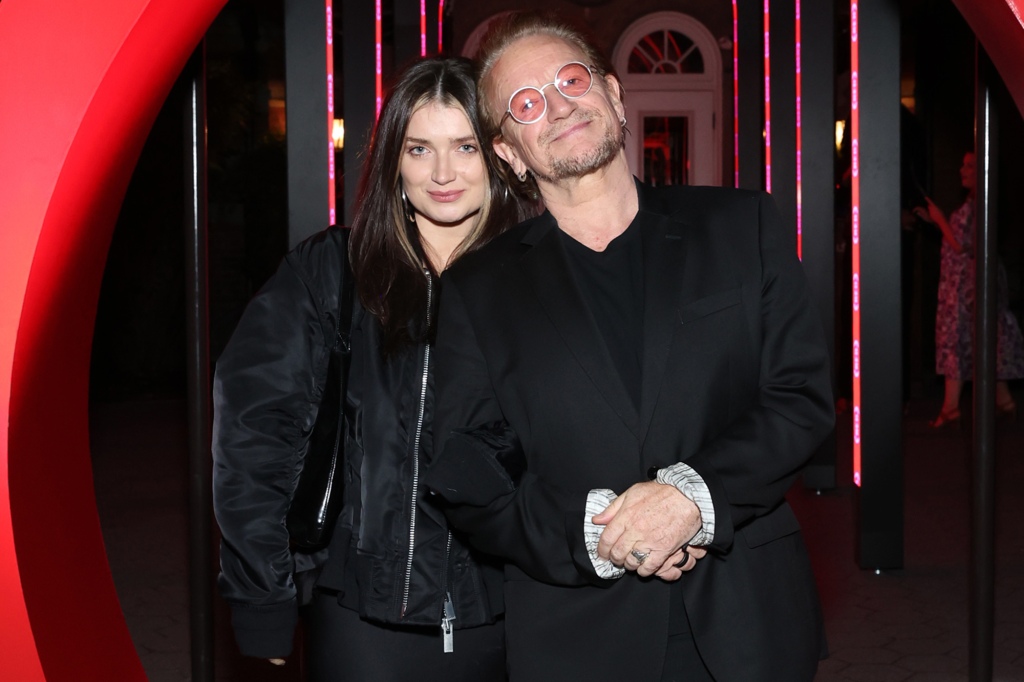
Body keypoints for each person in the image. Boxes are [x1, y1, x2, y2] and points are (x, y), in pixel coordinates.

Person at [424, 11, 834, 682]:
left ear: (613, 95)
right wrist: (599, 538)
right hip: (577, 639)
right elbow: (469, 475)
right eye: (525, 104)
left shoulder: (740, 225)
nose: (556, 105)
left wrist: (690, 499)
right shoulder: (478, 289)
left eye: (571, 79)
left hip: (748, 626)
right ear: (508, 153)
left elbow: (800, 399)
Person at [212, 56, 529, 681]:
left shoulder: (541, 279)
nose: (442, 173)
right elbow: (253, 439)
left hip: (515, 612)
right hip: (361, 620)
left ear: (497, 153)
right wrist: (262, 596)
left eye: (464, 146)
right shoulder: (331, 273)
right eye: (419, 148)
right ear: (392, 159)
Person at [915, 151, 1024, 427]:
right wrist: (937, 222)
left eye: (970, 165)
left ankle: (953, 408)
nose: (962, 169)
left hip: (971, 284)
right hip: (963, 284)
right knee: (974, 340)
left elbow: (967, 246)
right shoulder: (975, 203)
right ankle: (1003, 401)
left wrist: (940, 219)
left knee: (964, 339)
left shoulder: (982, 204)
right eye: (962, 164)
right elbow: (961, 239)